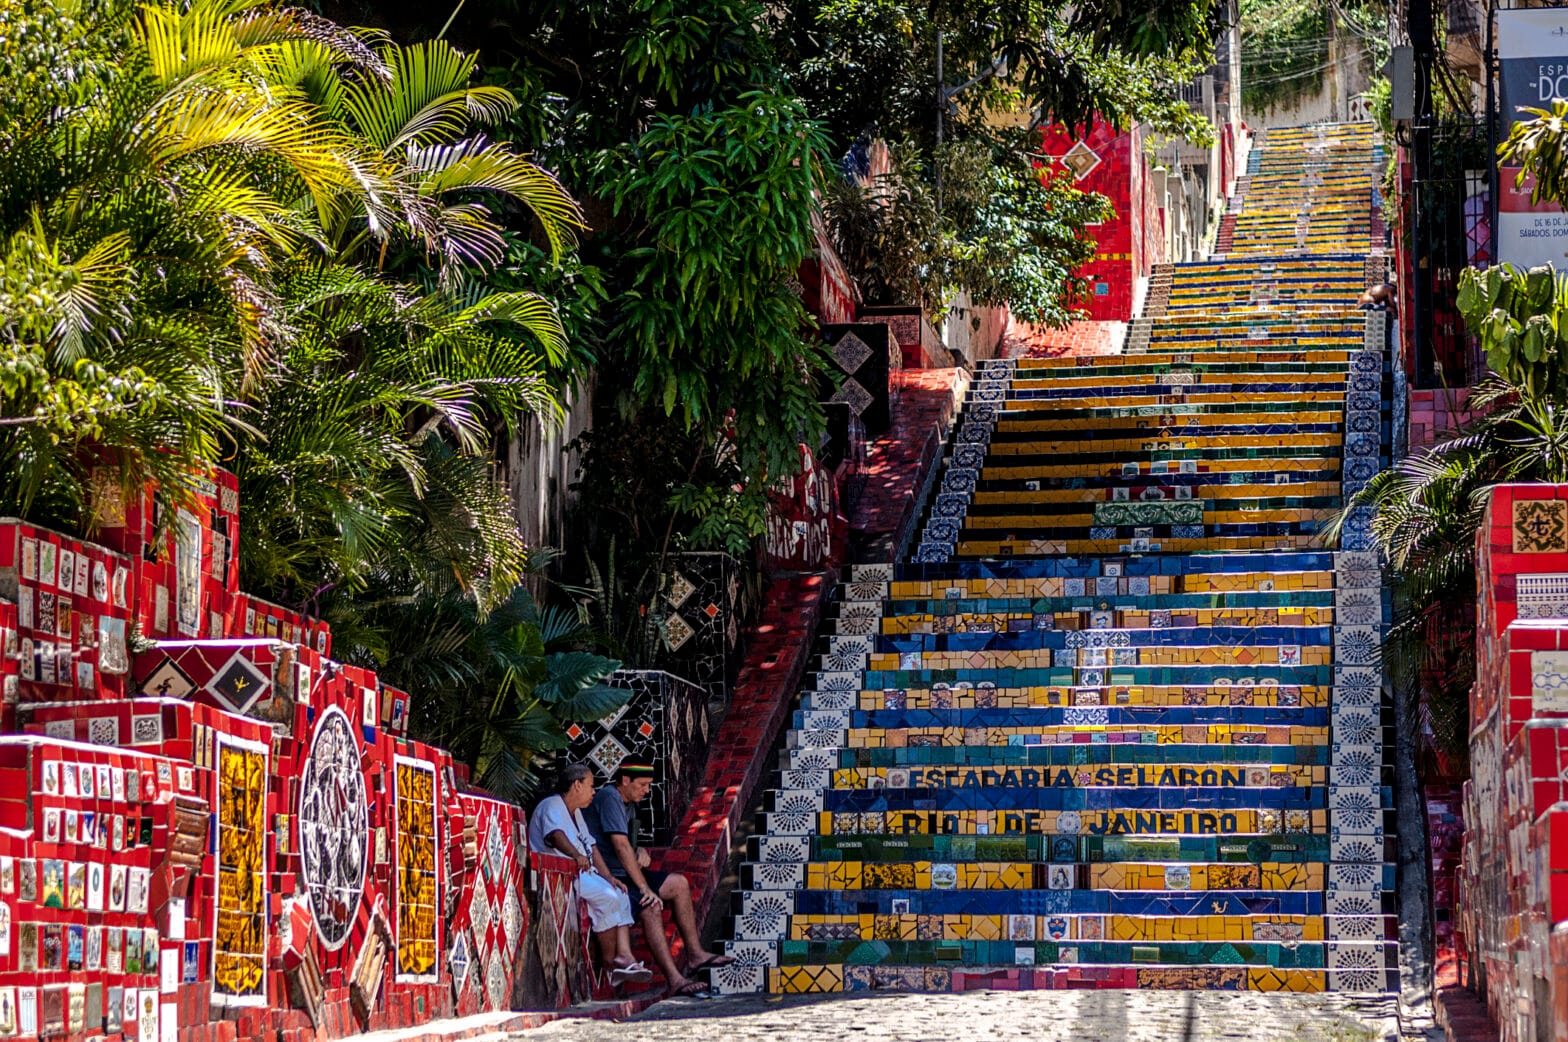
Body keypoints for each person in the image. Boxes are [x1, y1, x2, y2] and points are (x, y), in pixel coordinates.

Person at [583, 763, 734, 998]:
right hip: (609, 877)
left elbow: (627, 845)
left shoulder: (629, 804)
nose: (646, 791)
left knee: (679, 884)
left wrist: (640, 850)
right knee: (651, 907)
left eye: (649, 786)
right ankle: (675, 980)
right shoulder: (609, 797)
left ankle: (695, 955)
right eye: (642, 785)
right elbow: (620, 846)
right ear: (625, 780)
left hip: (626, 873)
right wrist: (644, 887)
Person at [528, 764, 652, 987]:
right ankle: (609, 965)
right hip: (559, 875)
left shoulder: (576, 813)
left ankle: (625, 957)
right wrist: (575, 855)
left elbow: (592, 847)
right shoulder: (551, 805)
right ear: (577, 785)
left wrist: (609, 877)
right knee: (608, 898)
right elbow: (555, 835)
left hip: (582, 873)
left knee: (619, 893)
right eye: (591, 786)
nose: (594, 792)